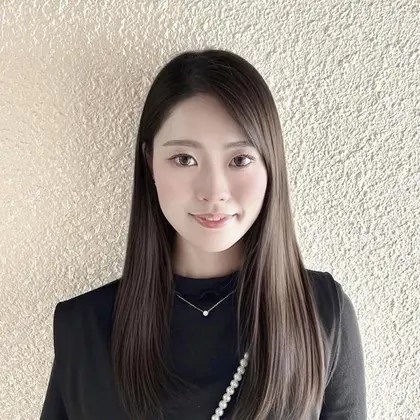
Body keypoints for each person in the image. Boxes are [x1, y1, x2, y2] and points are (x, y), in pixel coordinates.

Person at [40, 48, 366, 420]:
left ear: (270, 164)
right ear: (150, 163)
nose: (214, 191)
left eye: (239, 160)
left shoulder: (321, 312)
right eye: (184, 159)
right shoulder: (84, 327)